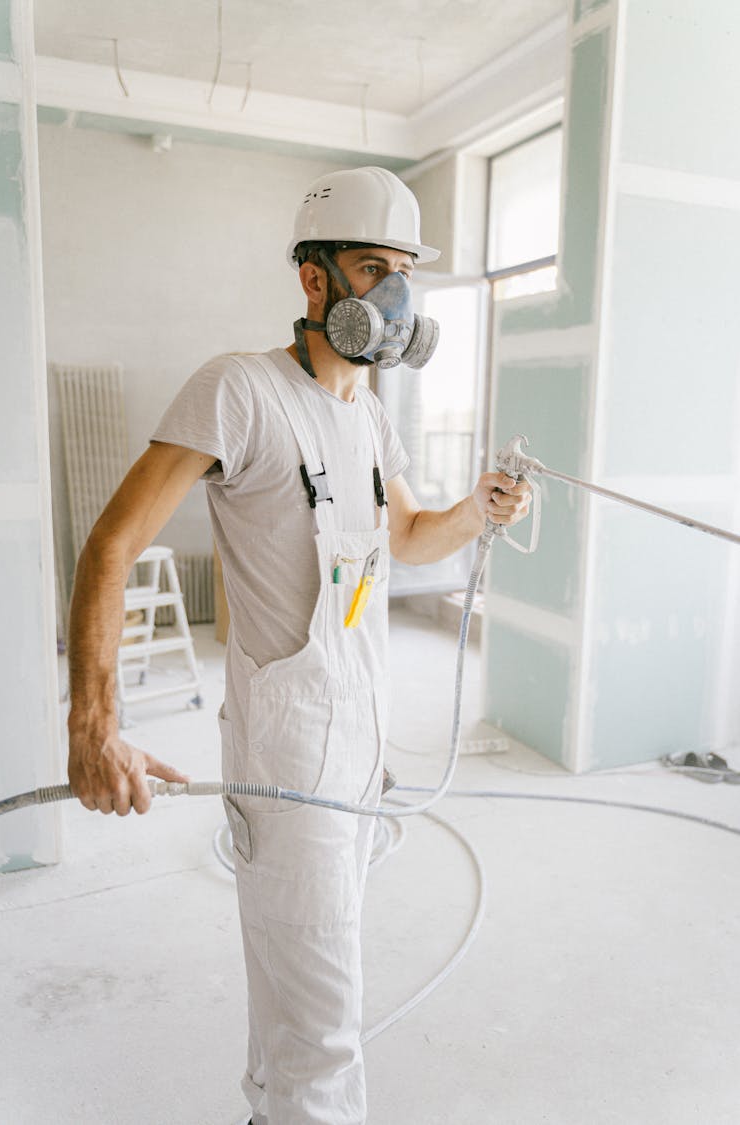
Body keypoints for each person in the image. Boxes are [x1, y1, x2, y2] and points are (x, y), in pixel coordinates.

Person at [66, 165, 531, 1125]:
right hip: (287, 750)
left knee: (299, 968)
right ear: (314, 282)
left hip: (359, 736)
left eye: (403, 271)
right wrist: (93, 723)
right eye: (372, 268)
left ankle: (266, 1110)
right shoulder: (240, 389)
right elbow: (111, 545)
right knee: (326, 1015)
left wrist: (477, 512)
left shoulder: (367, 411)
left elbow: (405, 535)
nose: (394, 297)